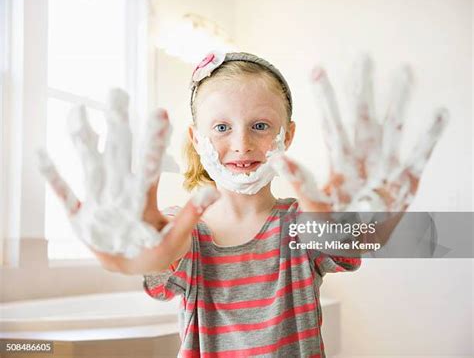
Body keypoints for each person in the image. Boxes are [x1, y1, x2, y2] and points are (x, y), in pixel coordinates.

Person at [39, 51, 448, 357]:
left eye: (260, 126)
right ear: (197, 139)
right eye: (221, 127)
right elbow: (161, 259)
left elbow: (346, 242)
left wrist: (363, 227)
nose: (241, 143)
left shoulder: (303, 225)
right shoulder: (183, 232)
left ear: (287, 136)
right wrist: (137, 259)